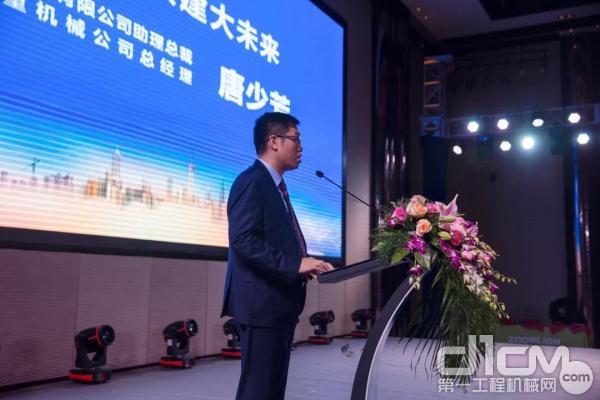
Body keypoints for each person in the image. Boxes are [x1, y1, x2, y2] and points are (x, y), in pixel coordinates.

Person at [221, 112, 334, 400]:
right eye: (296, 139)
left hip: (277, 305)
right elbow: (242, 240)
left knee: (271, 391)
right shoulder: (252, 181)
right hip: (261, 306)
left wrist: (305, 264)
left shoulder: (275, 186)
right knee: (258, 391)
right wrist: (294, 264)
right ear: (274, 141)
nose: (301, 147)